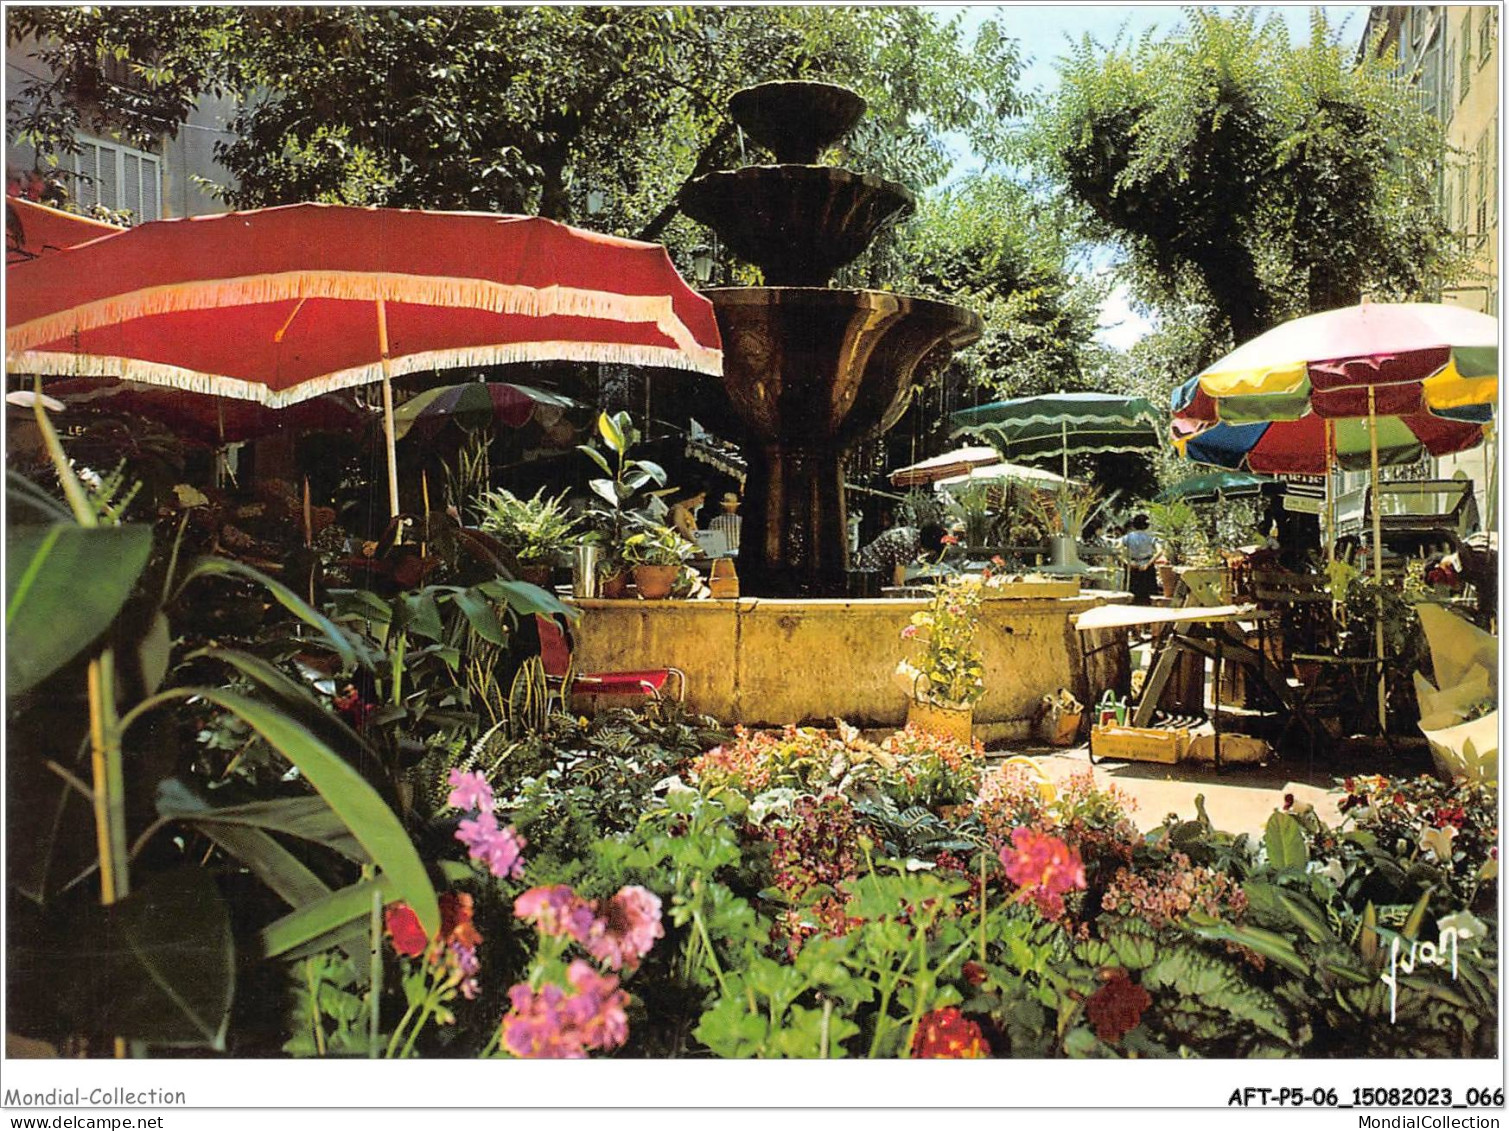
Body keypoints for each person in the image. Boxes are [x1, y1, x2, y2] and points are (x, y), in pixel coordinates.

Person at [854, 521, 949, 587]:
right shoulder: (906, 544)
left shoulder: (913, 534)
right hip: (866, 569)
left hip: (874, 566)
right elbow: (898, 581)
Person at [1120, 513, 1159, 604]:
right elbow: (1160, 551)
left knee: (1133, 596)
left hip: (1133, 567)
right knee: (1148, 597)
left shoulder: (1127, 537)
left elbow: (1117, 550)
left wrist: (1127, 562)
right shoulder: (1151, 538)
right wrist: (1148, 563)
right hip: (1147, 567)